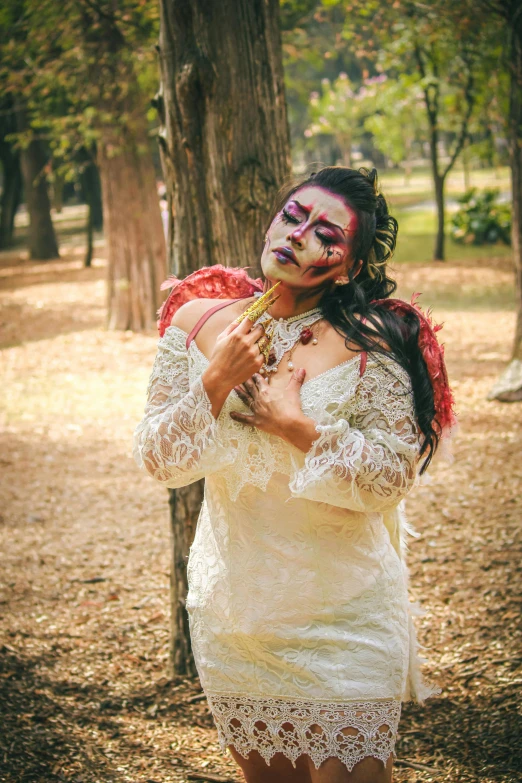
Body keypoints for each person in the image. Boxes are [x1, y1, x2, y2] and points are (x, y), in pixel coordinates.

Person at [132, 166, 455, 783]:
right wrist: (215, 379)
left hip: (346, 612)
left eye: (325, 232)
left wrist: (295, 426)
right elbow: (160, 460)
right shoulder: (196, 322)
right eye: (293, 216)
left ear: (349, 265)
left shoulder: (379, 339)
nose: (299, 234)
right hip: (238, 613)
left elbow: (391, 479)